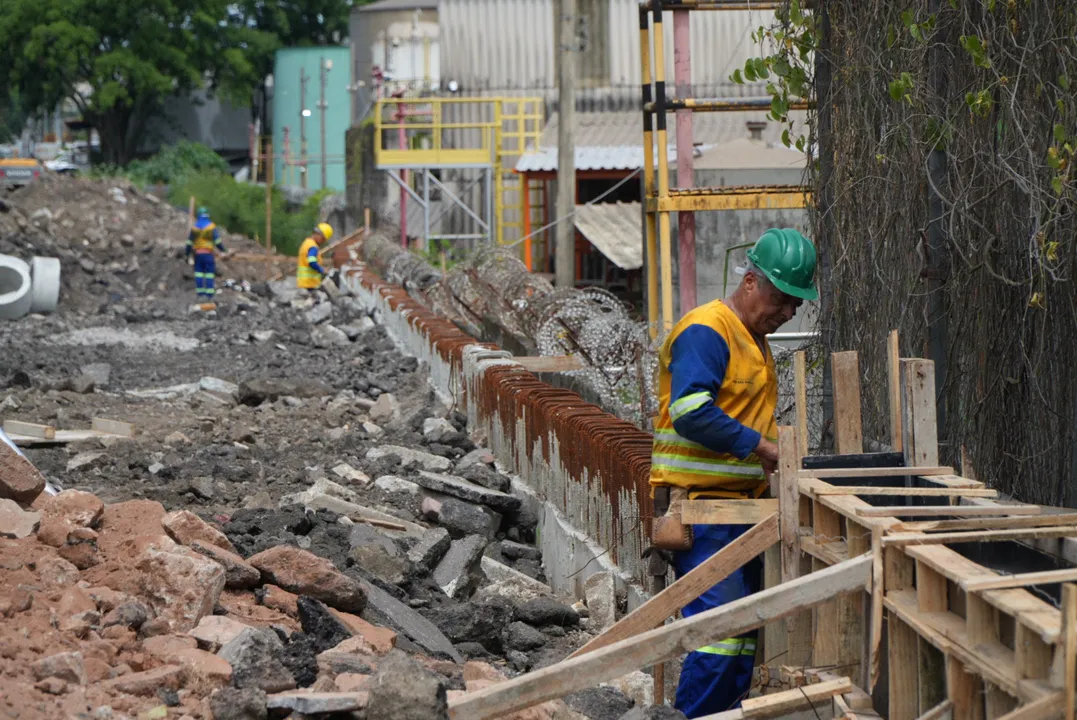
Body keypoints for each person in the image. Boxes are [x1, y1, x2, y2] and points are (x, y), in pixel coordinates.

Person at [649, 228, 818, 717]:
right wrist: (762, 448)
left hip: (739, 511)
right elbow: (690, 412)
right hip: (703, 512)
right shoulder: (709, 329)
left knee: (740, 639)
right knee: (718, 638)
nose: (788, 313)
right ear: (750, 283)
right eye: (782, 300)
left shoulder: (752, 338)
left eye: (796, 304)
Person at [185, 207, 228, 301]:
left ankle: (200, 293)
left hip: (198, 254)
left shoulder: (195, 227)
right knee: (209, 273)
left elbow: (189, 242)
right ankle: (209, 294)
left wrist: (187, 254)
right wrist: (223, 250)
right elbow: (217, 241)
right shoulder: (211, 227)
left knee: (199, 273)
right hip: (208, 254)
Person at [297, 222, 334, 294]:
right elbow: (312, 261)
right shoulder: (313, 246)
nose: (323, 242)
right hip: (310, 284)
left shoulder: (306, 243)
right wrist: (322, 270)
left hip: (304, 283)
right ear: (319, 234)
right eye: (323, 239)